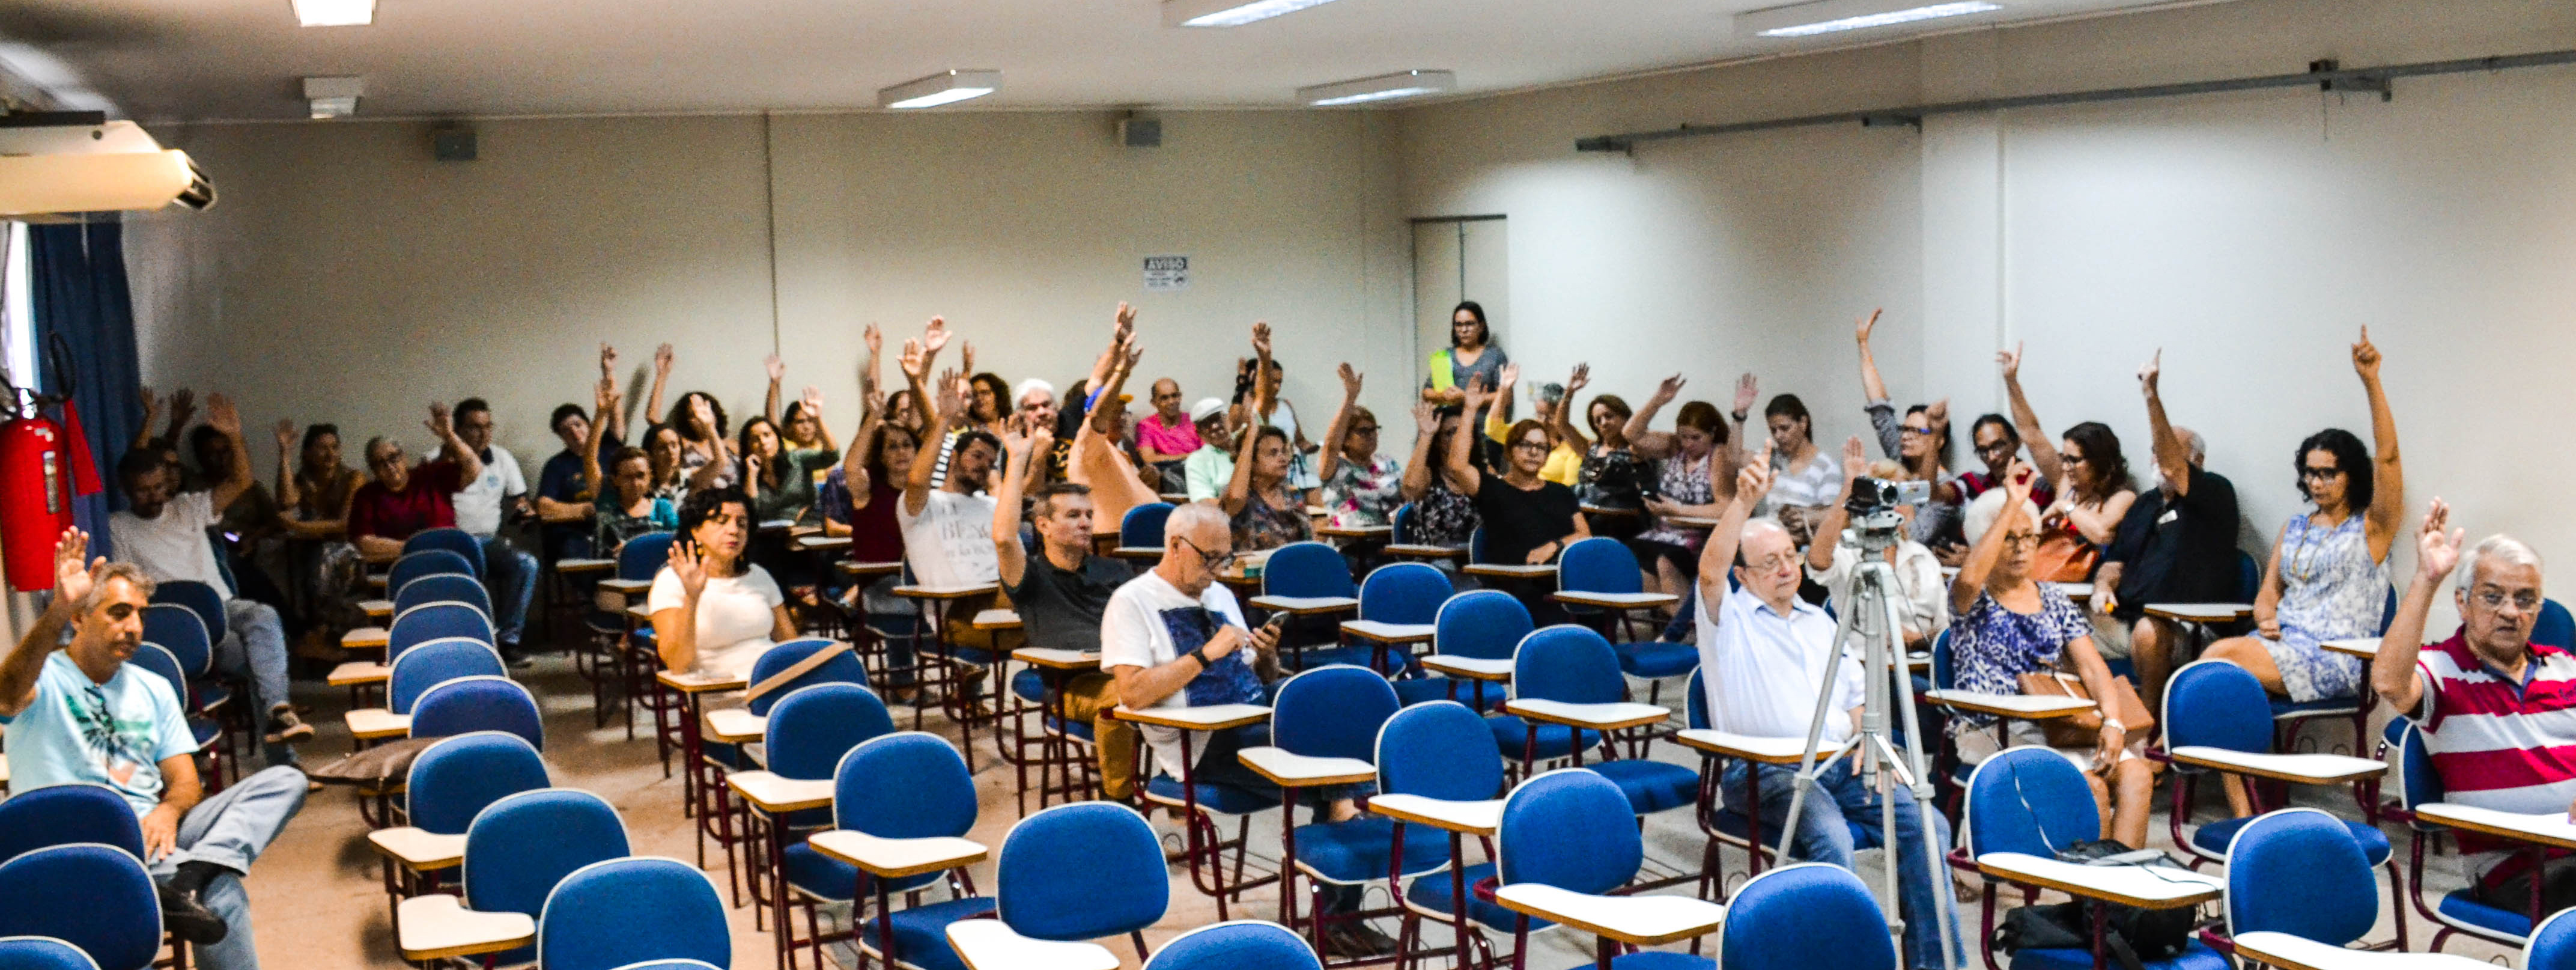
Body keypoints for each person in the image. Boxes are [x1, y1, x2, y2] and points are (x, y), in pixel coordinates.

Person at [1692, 448, 1959, 970]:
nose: (1787, 568)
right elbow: (1708, 570)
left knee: (1928, 824)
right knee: (1831, 840)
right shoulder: (1729, 619)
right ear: (1744, 577)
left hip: (1844, 764)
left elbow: (1857, 698)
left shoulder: (1820, 620)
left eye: (1790, 556)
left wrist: (1868, 745)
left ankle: (1937, 964)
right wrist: (1744, 501)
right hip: (1767, 774)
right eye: (1770, 563)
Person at [0, 528, 308, 970]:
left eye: (141, 616)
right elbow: (6, 696)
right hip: (69, 843)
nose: (135, 628)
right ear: (80, 619)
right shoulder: (42, 677)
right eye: (120, 613)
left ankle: (193, 876)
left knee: (287, 780)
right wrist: (55, 612)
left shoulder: (155, 687)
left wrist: (167, 812)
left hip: (151, 836)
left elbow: (184, 781)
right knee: (220, 894)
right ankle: (189, 880)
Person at [1098, 500, 1392, 957]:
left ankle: (1336, 904)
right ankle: (1336, 914)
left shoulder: (1218, 594)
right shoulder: (1131, 602)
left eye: (1226, 558)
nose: (1218, 570)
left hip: (1254, 717)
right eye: (1210, 558)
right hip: (1200, 743)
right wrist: (1205, 655)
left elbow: (1259, 676)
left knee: (1346, 727)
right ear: (1176, 546)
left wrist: (1268, 655)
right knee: (1338, 775)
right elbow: (1132, 693)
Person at [2371, 505, 2575, 914]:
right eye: (2493, 597)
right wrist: (2427, 580)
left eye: (2525, 600)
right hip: (2517, 866)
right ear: (2463, 604)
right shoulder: (2440, 669)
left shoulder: (2565, 667)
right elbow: (2389, 682)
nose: (2510, 612)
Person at [2204, 329, 2405, 704]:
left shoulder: (2373, 529)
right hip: (2280, 644)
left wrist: (2371, 382)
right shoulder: (2295, 527)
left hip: (2337, 658)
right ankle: (2213, 762)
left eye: (2329, 473)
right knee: (2215, 673)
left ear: (2352, 476)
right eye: (2311, 472)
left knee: (2217, 664)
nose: (2317, 482)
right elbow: (2269, 596)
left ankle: (2170, 752)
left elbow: (2389, 458)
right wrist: (2265, 618)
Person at [109, 394, 312, 765]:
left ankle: (280, 710)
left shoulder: (187, 507)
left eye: (158, 487)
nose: (155, 496)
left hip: (224, 609)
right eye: (143, 490)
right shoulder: (118, 527)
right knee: (256, 661)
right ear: (127, 490)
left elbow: (242, 481)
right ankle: (286, 762)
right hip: (181, 627)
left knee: (264, 616)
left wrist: (235, 436)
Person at [1947, 478, 2149, 848]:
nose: (2022, 548)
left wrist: (2114, 722)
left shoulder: (2054, 598)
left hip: (2059, 725)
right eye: (2009, 538)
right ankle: (2092, 898)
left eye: (2029, 537)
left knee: (2137, 774)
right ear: (1986, 543)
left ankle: (2122, 894)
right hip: (1996, 726)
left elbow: (2092, 666)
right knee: (2091, 787)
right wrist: (2013, 503)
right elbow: (1970, 577)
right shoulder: (1971, 597)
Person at [993, 419, 1138, 799]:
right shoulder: (1031, 577)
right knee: (1119, 702)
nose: (1087, 522)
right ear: (1043, 525)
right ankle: (1120, 806)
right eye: (1074, 516)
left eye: (1089, 514)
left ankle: (1174, 788)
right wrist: (1018, 460)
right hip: (1071, 685)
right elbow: (1005, 537)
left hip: (1129, 669)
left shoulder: (1115, 570)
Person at [2093, 350, 2241, 710]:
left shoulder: (2216, 492)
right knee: (2055, 632)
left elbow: (2176, 470)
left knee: (2149, 630)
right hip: (2125, 616)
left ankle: (2148, 729)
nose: (2160, 460)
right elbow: (2117, 562)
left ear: (2198, 461)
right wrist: (2103, 587)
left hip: (2186, 628)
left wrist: (2151, 396)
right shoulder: (2144, 504)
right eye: (2155, 452)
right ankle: (2095, 725)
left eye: (2168, 451)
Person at [897, 321, 1004, 698]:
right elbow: (915, 480)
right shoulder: (922, 506)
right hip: (957, 612)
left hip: (999, 601)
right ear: (954, 456)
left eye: (990, 462)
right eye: (976, 456)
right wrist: (942, 417)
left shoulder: (991, 504)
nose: (982, 465)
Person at [1998, 344, 2138, 584]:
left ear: (2098, 461)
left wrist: (2066, 508)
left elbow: (2102, 533)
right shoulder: (2067, 484)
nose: (2066, 467)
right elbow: (2031, 433)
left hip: (2089, 589)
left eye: (2074, 460)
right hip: (2047, 581)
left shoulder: (2123, 496)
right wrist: (2012, 381)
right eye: (2064, 459)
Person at [1449, 380, 1586, 620]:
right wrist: (1470, 409)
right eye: (1526, 445)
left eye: (1541, 448)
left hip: (1561, 583)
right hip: (1515, 586)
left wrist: (1554, 545)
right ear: (1510, 451)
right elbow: (1457, 466)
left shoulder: (1561, 492)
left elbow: (1584, 534)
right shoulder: (1493, 488)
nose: (1534, 452)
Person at [1807, 437, 1946, 651]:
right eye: (1890, 497)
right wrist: (1849, 488)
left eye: (1902, 496)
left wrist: (1917, 639)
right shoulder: (1849, 551)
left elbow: (1946, 629)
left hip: (1919, 664)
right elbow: (1818, 560)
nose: (1897, 506)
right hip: (1863, 664)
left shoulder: (1922, 557)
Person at [431, 397, 540, 665]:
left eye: (488, 427)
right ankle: (468, 644)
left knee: (527, 564)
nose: (484, 434)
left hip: (488, 541)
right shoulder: (435, 459)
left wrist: (525, 510)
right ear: (456, 430)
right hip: (451, 542)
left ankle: (507, 641)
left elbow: (519, 499)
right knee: (464, 565)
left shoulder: (502, 458)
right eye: (475, 428)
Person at [648, 487, 795, 684]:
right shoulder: (671, 581)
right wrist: (692, 597)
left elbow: (791, 647)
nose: (734, 530)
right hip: (717, 690)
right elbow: (677, 663)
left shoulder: (759, 576)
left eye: (742, 524)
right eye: (722, 522)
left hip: (772, 681)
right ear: (696, 530)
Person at [1852, 309, 1961, 553]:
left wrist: (1901, 500)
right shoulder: (1900, 456)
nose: (1905, 436)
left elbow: (1917, 537)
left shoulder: (1946, 487)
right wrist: (1863, 345)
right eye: (1904, 429)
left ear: (1938, 440)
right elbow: (1880, 409)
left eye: (1917, 431)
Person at [1624, 376, 1739, 608]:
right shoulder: (1675, 447)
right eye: (1684, 436)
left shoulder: (1718, 456)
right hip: (1663, 532)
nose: (1688, 444)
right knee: (1630, 555)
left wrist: (1678, 510)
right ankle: (1675, 620)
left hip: (1698, 537)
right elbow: (1631, 434)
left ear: (1712, 433)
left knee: (1666, 561)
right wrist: (1658, 400)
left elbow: (1726, 508)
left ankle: (1682, 624)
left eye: (1696, 438)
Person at [1221, 323, 1317, 553]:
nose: (1283, 458)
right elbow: (1234, 498)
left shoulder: (1290, 493)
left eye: (1283, 452)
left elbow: (1310, 540)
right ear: (1252, 462)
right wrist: (1252, 433)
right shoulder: (1240, 496)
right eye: (1273, 454)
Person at [272, 419, 369, 645]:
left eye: (335, 447)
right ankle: (309, 634)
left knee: (326, 558)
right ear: (307, 453)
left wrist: (298, 527)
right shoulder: (305, 480)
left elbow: (345, 525)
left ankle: (330, 632)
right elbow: (287, 501)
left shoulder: (353, 478)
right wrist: (285, 454)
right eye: (322, 448)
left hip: (348, 549)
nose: (330, 454)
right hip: (308, 550)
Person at [1065, 304, 1160, 534]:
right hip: (1117, 547)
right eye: (1112, 412)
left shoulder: (1122, 447)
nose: (1119, 418)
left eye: (1122, 412)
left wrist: (1118, 343)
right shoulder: (1088, 446)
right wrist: (1122, 372)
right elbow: (1097, 414)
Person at [347, 404, 482, 560]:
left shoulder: (430, 475)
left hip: (447, 557)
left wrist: (449, 435)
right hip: (397, 563)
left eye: (393, 458)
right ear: (373, 470)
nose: (389, 467)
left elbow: (474, 469)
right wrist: (417, 548)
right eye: (380, 463)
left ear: (404, 458)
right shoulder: (367, 495)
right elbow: (364, 543)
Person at [535, 344, 624, 561]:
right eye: (566, 430)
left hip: (619, 524)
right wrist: (585, 509)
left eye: (578, 425)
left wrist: (609, 373)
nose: (574, 433)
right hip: (578, 532)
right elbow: (544, 507)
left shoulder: (610, 447)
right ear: (560, 437)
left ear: (588, 424)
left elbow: (615, 413)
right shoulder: (557, 465)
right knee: (575, 549)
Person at [1550, 364, 1651, 541]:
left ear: (1624, 416)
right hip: (1587, 513)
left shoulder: (1636, 448)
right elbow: (1561, 425)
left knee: (1593, 525)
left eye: (1609, 416)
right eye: (1598, 420)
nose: (1604, 423)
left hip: (1624, 519)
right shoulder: (1589, 448)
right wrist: (1569, 393)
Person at [584, 379, 680, 557]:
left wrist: (636, 551)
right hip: (610, 578)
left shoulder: (662, 508)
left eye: (640, 476)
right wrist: (601, 414)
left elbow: (679, 545)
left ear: (650, 476)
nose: (635, 483)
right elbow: (590, 460)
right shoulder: (606, 501)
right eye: (628, 477)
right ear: (615, 480)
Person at [1752, 383, 1839, 546]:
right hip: (1766, 541)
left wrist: (1805, 517)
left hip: (1803, 546)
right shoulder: (1771, 458)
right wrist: (1739, 416)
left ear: (1803, 423)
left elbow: (1833, 516)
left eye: (1785, 428)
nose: (1779, 436)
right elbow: (1735, 458)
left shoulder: (1827, 467)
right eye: (1774, 430)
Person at [1317, 364, 1402, 531]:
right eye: (1363, 431)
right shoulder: (1335, 466)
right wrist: (1350, 398)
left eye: (1374, 430)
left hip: (1388, 540)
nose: (1371, 435)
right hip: (1353, 545)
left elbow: (1408, 496)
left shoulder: (1387, 463)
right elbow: (1331, 446)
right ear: (1346, 439)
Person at [1397, 402, 1480, 551]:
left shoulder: (1482, 473)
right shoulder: (1430, 474)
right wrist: (1426, 435)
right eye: (1451, 432)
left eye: (1463, 431)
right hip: (1435, 559)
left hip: (1474, 559)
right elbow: (1410, 490)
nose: (1458, 438)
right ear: (1438, 441)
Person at [1488, 364, 1580, 487]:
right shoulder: (1527, 431)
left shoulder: (1573, 443)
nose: (1543, 422)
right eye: (1539, 414)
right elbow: (1493, 430)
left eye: (1550, 417)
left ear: (1563, 416)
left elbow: (1570, 488)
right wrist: (1504, 390)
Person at [1421, 300, 1508, 426]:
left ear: (1481, 326)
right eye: (1458, 325)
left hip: (1484, 432)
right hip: (1450, 430)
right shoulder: (1446, 356)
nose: (1464, 330)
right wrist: (1443, 396)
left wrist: (1466, 398)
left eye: (1470, 324)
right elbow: (1427, 392)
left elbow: (1505, 397)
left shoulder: (1495, 356)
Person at [1135, 377, 1201, 491]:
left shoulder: (1194, 421)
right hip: (1168, 475)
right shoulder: (1146, 426)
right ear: (1154, 403)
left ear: (1180, 397)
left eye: (1175, 396)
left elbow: (1207, 453)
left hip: (1198, 471)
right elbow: (1149, 458)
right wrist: (1186, 456)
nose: (1171, 402)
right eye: (1164, 398)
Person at [1182, 397, 1239, 502]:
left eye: (1218, 419)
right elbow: (1204, 503)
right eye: (1206, 424)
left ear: (1229, 419)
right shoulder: (1197, 460)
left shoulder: (1247, 442)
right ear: (1199, 433)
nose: (1215, 426)